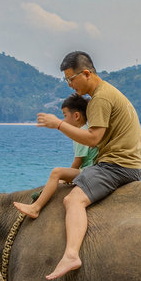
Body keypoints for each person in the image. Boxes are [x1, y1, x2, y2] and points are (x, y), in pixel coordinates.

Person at [15, 51, 141, 279]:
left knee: (72, 200)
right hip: (121, 162)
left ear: (86, 73)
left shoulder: (100, 100)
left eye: (71, 79)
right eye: (67, 80)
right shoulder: (107, 94)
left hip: (117, 166)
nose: (70, 85)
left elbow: (93, 138)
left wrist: (58, 125)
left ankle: (72, 254)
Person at [12, 92, 96, 222]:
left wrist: (66, 177)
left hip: (88, 172)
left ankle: (36, 207)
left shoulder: (81, 133)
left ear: (77, 116)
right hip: (92, 170)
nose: (63, 120)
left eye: (65, 115)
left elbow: (78, 160)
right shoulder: (89, 128)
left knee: (57, 172)